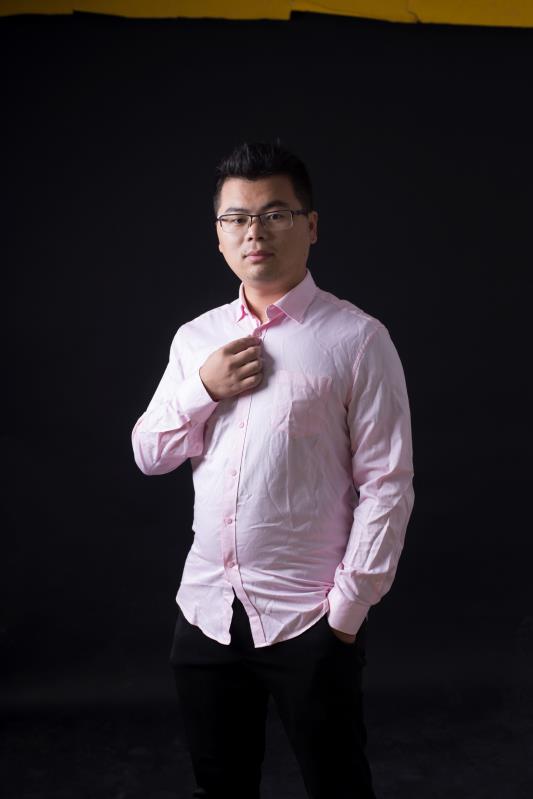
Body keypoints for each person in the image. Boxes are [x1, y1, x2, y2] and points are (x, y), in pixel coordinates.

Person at [131, 140, 414, 799]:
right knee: (220, 786)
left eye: (274, 214)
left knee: (338, 785)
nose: (253, 232)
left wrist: (345, 612)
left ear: (310, 226)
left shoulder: (357, 340)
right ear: (219, 234)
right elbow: (150, 454)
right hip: (205, 610)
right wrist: (202, 389)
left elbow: (387, 484)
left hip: (308, 616)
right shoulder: (196, 340)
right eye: (236, 218)